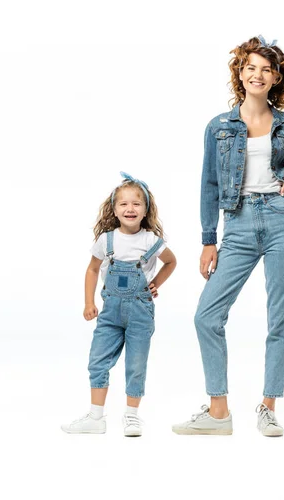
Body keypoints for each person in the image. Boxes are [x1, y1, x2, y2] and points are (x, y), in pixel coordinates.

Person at [172, 34, 284, 437]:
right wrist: (208, 239)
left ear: (276, 77)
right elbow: (209, 185)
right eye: (251, 67)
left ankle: (268, 407)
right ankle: (218, 413)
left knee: (279, 319)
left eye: (266, 69)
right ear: (240, 73)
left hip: (282, 221)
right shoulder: (219, 126)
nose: (257, 74)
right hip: (239, 225)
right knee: (207, 316)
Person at [61, 172, 177, 436]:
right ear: (114, 209)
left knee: (136, 364)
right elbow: (92, 270)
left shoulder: (150, 240)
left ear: (146, 210)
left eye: (137, 203)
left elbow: (171, 261)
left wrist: (155, 283)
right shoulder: (107, 240)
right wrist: (88, 302)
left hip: (140, 312)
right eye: (123, 203)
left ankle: (132, 416)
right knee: (98, 360)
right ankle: (95, 416)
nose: (130, 208)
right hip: (110, 313)